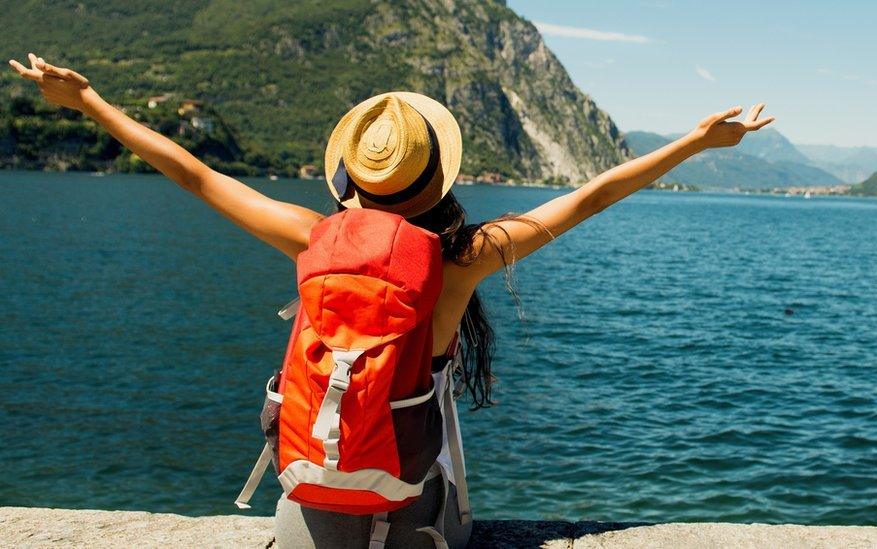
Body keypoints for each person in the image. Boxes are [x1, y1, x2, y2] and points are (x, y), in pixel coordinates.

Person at [8, 53, 774, 548]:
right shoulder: (460, 259)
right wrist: (695, 144)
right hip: (410, 517)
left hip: (305, 502)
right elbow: (590, 196)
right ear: (437, 177)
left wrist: (93, 103)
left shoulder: (310, 237)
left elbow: (195, 175)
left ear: (349, 178)